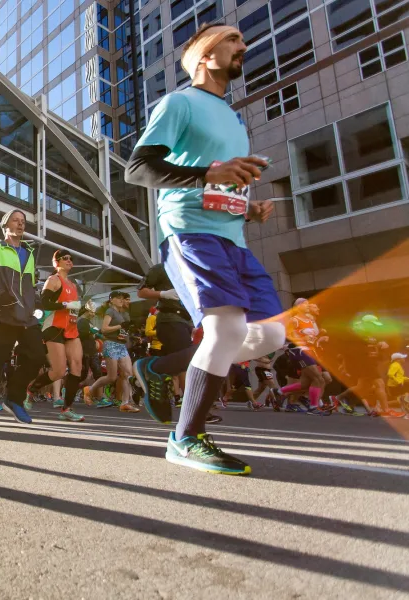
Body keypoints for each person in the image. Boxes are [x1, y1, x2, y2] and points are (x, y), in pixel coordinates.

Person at [125, 23, 286, 474]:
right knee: (226, 330)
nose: (243, 46)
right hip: (189, 229)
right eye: (233, 40)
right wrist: (207, 176)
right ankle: (185, 438)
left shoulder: (234, 119)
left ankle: (159, 369)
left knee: (272, 336)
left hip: (232, 235)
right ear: (203, 55)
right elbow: (138, 168)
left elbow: (221, 180)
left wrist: (247, 209)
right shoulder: (180, 103)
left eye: (242, 40)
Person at [0, 209, 43, 426]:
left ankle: (14, 398)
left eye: (23, 221)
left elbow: (31, 286)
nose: (21, 224)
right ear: (5, 226)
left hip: (27, 316)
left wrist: (35, 304)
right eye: (16, 220)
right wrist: (5, 298)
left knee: (37, 357)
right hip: (3, 314)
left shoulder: (29, 253)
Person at [25, 250, 85, 422]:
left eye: (71, 259)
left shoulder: (73, 285)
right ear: (56, 262)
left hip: (71, 329)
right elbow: (45, 303)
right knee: (58, 371)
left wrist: (78, 308)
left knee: (77, 367)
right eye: (65, 258)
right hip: (54, 327)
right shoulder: (53, 280)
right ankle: (32, 388)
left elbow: (72, 308)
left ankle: (66, 409)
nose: (69, 261)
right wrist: (66, 304)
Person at [133, 263, 196, 423]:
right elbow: (141, 292)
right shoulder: (163, 268)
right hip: (170, 318)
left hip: (187, 321)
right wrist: (163, 294)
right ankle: (192, 406)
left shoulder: (194, 267)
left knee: (184, 364)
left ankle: (153, 371)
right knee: (188, 363)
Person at [278, 299, 331, 415]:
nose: (307, 306)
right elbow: (285, 338)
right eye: (304, 304)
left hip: (309, 352)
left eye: (308, 304)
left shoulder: (310, 321)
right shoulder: (294, 320)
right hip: (299, 352)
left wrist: (320, 337)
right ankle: (313, 407)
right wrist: (301, 339)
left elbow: (312, 339)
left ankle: (279, 392)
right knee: (319, 379)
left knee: (305, 384)